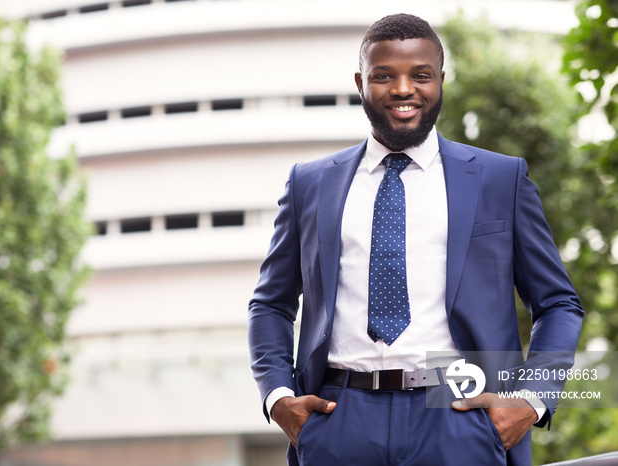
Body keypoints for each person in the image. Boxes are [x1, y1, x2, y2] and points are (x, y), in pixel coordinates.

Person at [248, 13, 583, 466]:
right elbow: (270, 304)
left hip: (458, 414)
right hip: (338, 418)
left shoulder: (500, 179)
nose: (403, 89)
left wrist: (531, 401)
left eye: (420, 75)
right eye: (383, 76)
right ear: (360, 83)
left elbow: (558, 304)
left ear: (440, 80)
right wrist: (279, 397)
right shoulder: (310, 184)